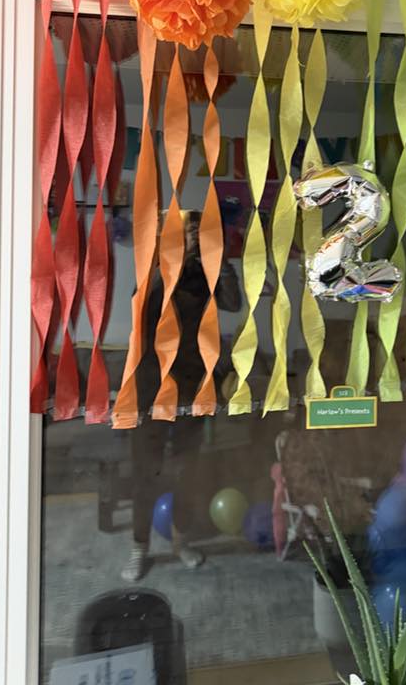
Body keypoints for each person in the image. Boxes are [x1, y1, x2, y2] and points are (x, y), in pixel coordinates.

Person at [121, 210, 241, 582]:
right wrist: (172, 257)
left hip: (193, 386)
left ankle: (181, 540)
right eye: (186, 231)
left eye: (197, 231)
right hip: (151, 388)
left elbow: (233, 302)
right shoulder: (155, 269)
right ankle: (139, 548)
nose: (192, 237)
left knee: (188, 470)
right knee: (146, 472)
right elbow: (141, 304)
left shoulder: (206, 273)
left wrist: (219, 261)